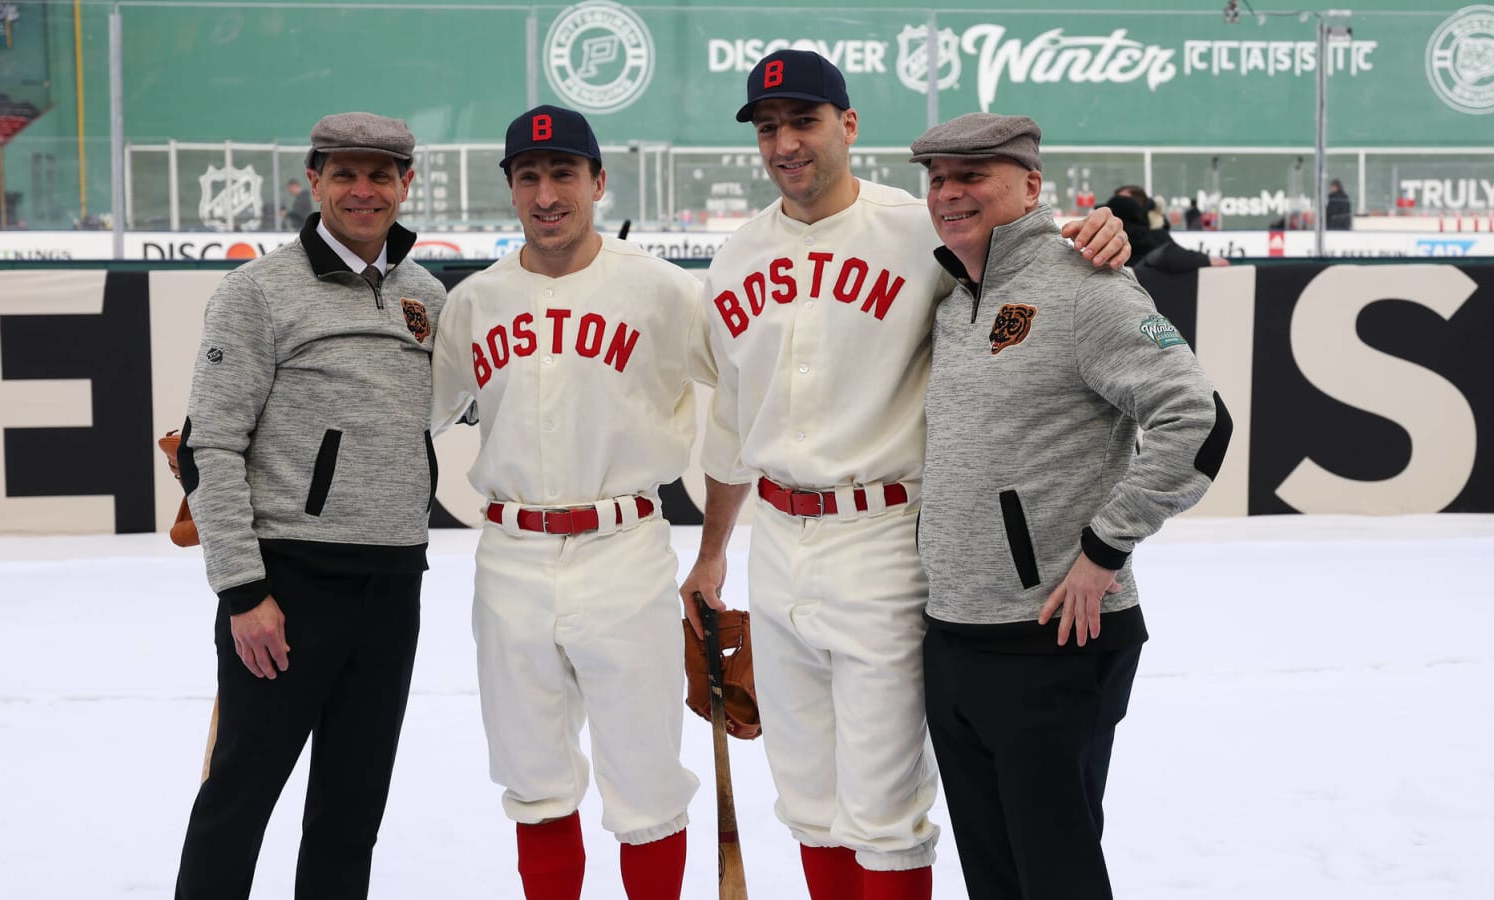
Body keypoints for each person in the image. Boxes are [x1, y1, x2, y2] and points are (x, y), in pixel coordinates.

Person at [679, 49, 1131, 900]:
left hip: (885, 535)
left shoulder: (921, 228)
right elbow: (733, 425)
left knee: (885, 808)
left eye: (803, 121)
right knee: (808, 797)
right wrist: (711, 555)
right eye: (768, 127)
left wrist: (1100, 227)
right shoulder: (736, 256)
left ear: (847, 126)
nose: (785, 143)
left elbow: (1034, 258)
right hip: (776, 545)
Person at [911, 112, 1233, 900]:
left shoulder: (1084, 284)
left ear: (1030, 185)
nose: (950, 193)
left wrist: (1103, 552)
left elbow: (1199, 420)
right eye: (937, 179)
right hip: (955, 637)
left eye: (973, 175)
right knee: (994, 877)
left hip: (1055, 637)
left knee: (1056, 877)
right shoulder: (954, 301)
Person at [429, 105, 709, 900]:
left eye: (563, 174)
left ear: (598, 180)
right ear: (511, 189)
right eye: (529, 176)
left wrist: (717, 548)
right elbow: (414, 410)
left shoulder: (660, 290)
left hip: (624, 548)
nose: (546, 193)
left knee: (646, 780)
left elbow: (745, 397)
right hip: (511, 555)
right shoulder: (476, 301)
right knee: (533, 773)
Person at [173, 111, 447, 900]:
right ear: (314, 180)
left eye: (381, 174)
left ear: (406, 185)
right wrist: (243, 592)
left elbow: (451, 409)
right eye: (346, 173)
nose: (364, 190)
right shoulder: (257, 291)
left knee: (351, 809)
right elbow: (209, 446)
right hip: (287, 587)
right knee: (239, 800)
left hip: (394, 583)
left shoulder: (423, 295)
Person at [1106, 193, 1229, 271]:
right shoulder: (1154, 235)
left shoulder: (1119, 237)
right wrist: (1206, 260)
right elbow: (1169, 252)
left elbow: (1167, 254)